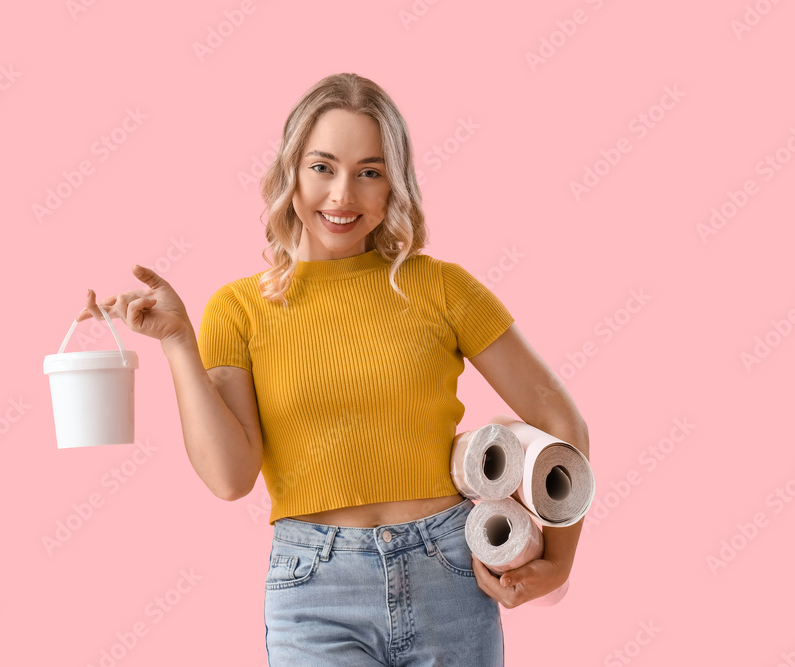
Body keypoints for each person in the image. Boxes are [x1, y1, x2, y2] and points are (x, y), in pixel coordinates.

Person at [77, 72, 590, 667]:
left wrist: (557, 563)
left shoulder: (443, 288)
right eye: (322, 167)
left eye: (369, 172)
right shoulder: (237, 309)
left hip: (448, 573)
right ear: (290, 173)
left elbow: (561, 424)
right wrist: (177, 344)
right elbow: (230, 478)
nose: (343, 196)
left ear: (393, 185)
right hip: (314, 589)